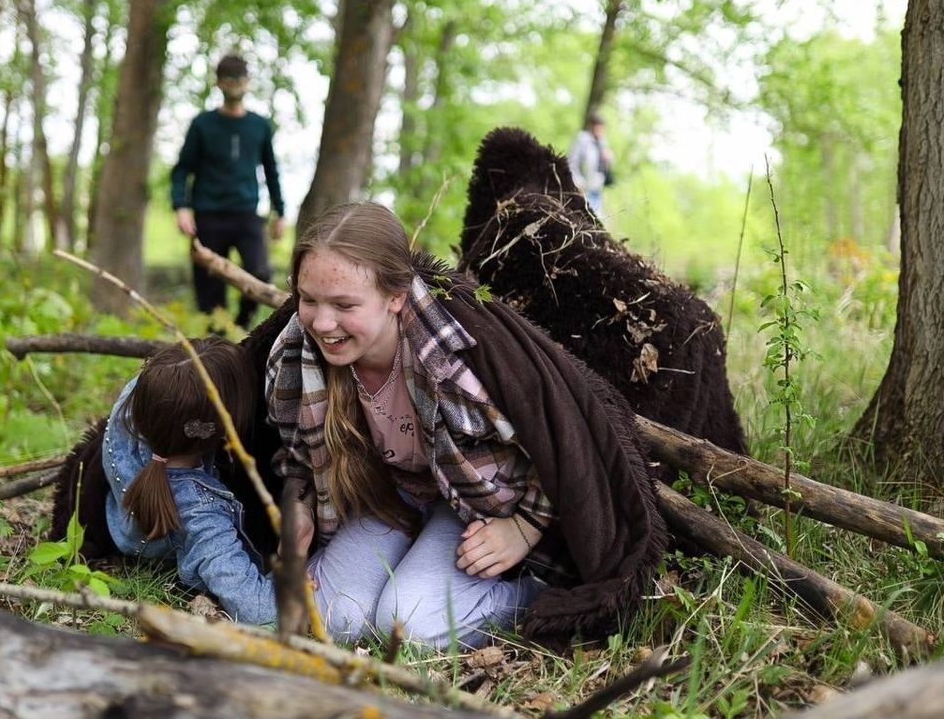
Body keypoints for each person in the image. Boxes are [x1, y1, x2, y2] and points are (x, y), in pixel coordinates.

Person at [265, 202, 668, 650]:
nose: (322, 323)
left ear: (396, 296)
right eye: (309, 299)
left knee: (408, 625)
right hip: (385, 497)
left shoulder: (460, 359)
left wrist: (525, 527)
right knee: (334, 619)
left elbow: (559, 441)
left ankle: (529, 594)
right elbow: (297, 452)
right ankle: (403, 568)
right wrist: (298, 505)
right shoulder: (296, 355)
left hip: (475, 506)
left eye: (344, 304)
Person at [102, 336, 277, 626]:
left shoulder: (139, 399)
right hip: (145, 537)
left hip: (119, 513)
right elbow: (257, 609)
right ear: (220, 427)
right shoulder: (201, 513)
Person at [171, 54, 287, 328]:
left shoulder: (259, 126)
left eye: (239, 80)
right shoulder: (202, 124)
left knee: (260, 273)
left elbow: (271, 171)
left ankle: (241, 329)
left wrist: (280, 211)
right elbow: (181, 169)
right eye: (228, 80)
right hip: (208, 215)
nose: (234, 85)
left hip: (246, 214)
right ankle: (218, 348)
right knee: (210, 296)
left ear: (247, 83)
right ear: (219, 83)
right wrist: (181, 206)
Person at [567, 112, 613, 217]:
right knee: (583, 218)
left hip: (597, 189)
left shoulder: (603, 142)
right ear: (592, 126)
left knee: (597, 220)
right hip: (583, 188)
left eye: (602, 128)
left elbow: (603, 166)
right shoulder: (582, 139)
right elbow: (572, 162)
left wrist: (609, 158)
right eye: (598, 127)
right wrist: (578, 183)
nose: (601, 130)